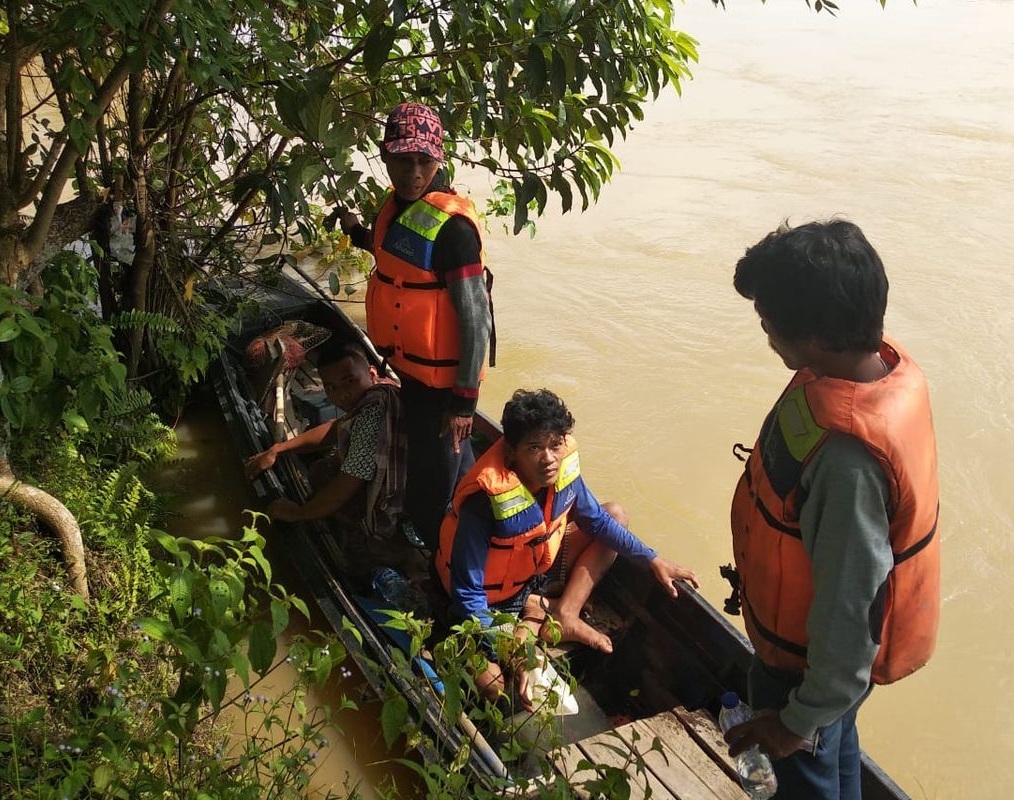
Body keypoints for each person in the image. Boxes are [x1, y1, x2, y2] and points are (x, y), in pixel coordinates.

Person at [722, 220, 940, 799]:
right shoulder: (868, 372)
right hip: (825, 673)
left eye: (767, 318)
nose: (765, 329)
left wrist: (796, 720)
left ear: (814, 336)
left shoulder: (848, 461)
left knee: (808, 778)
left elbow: (851, 607)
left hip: (806, 674)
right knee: (839, 757)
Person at [434, 388, 699, 710]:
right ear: (510, 453)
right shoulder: (484, 502)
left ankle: (562, 613)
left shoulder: (563, 473)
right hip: (489, 601)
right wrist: (516, 655)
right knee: (492, 685)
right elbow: (467, 594)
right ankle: (531, 616)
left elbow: (598, 522)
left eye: (555, 445)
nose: (548, 458)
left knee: (615, 515)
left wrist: (652, 559)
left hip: (532, 573)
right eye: (534, 447)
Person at [334, 102, 493, 550]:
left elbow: (475, 319)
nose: (413, 172)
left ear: (439, 160)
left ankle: (429, 546)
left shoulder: (454, 231)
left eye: (424, 161)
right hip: (410, 369)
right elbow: (394, 255)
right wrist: (357, 231)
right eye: (403, 160)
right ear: (385, 156)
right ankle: (448, 521)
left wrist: (464, 404)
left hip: (445, 385)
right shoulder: (403, 208)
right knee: (440, 458)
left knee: (433, 470)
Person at [245, 340, 405, 588]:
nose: (342, 395)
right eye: (331, 387)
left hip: (392, 515)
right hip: (412, 496)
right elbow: (336, 428)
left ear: (372, 373)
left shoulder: (371, 413)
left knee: (354, 561)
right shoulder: (384, 389)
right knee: (324, 468)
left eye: (350, 381)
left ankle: (377, 557)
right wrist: (279, 448)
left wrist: (297, 513)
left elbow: (347, 482)